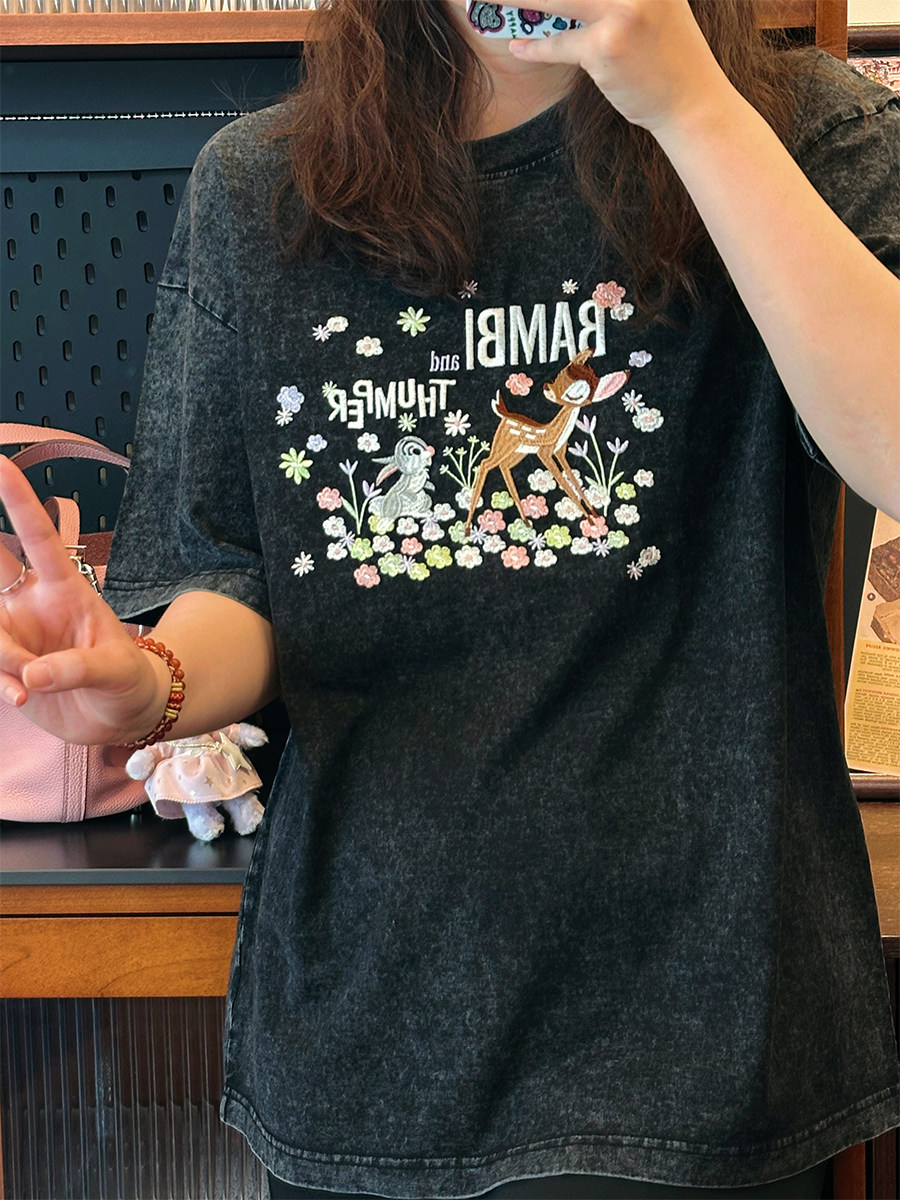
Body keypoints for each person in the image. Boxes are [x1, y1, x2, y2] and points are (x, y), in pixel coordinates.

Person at [0, 1, 898, 1196]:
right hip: (371, 1025)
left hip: (707, 1029)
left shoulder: (804, 130)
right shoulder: (261, 184)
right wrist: (149, 685)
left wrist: (688, 106)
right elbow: (238, 575)